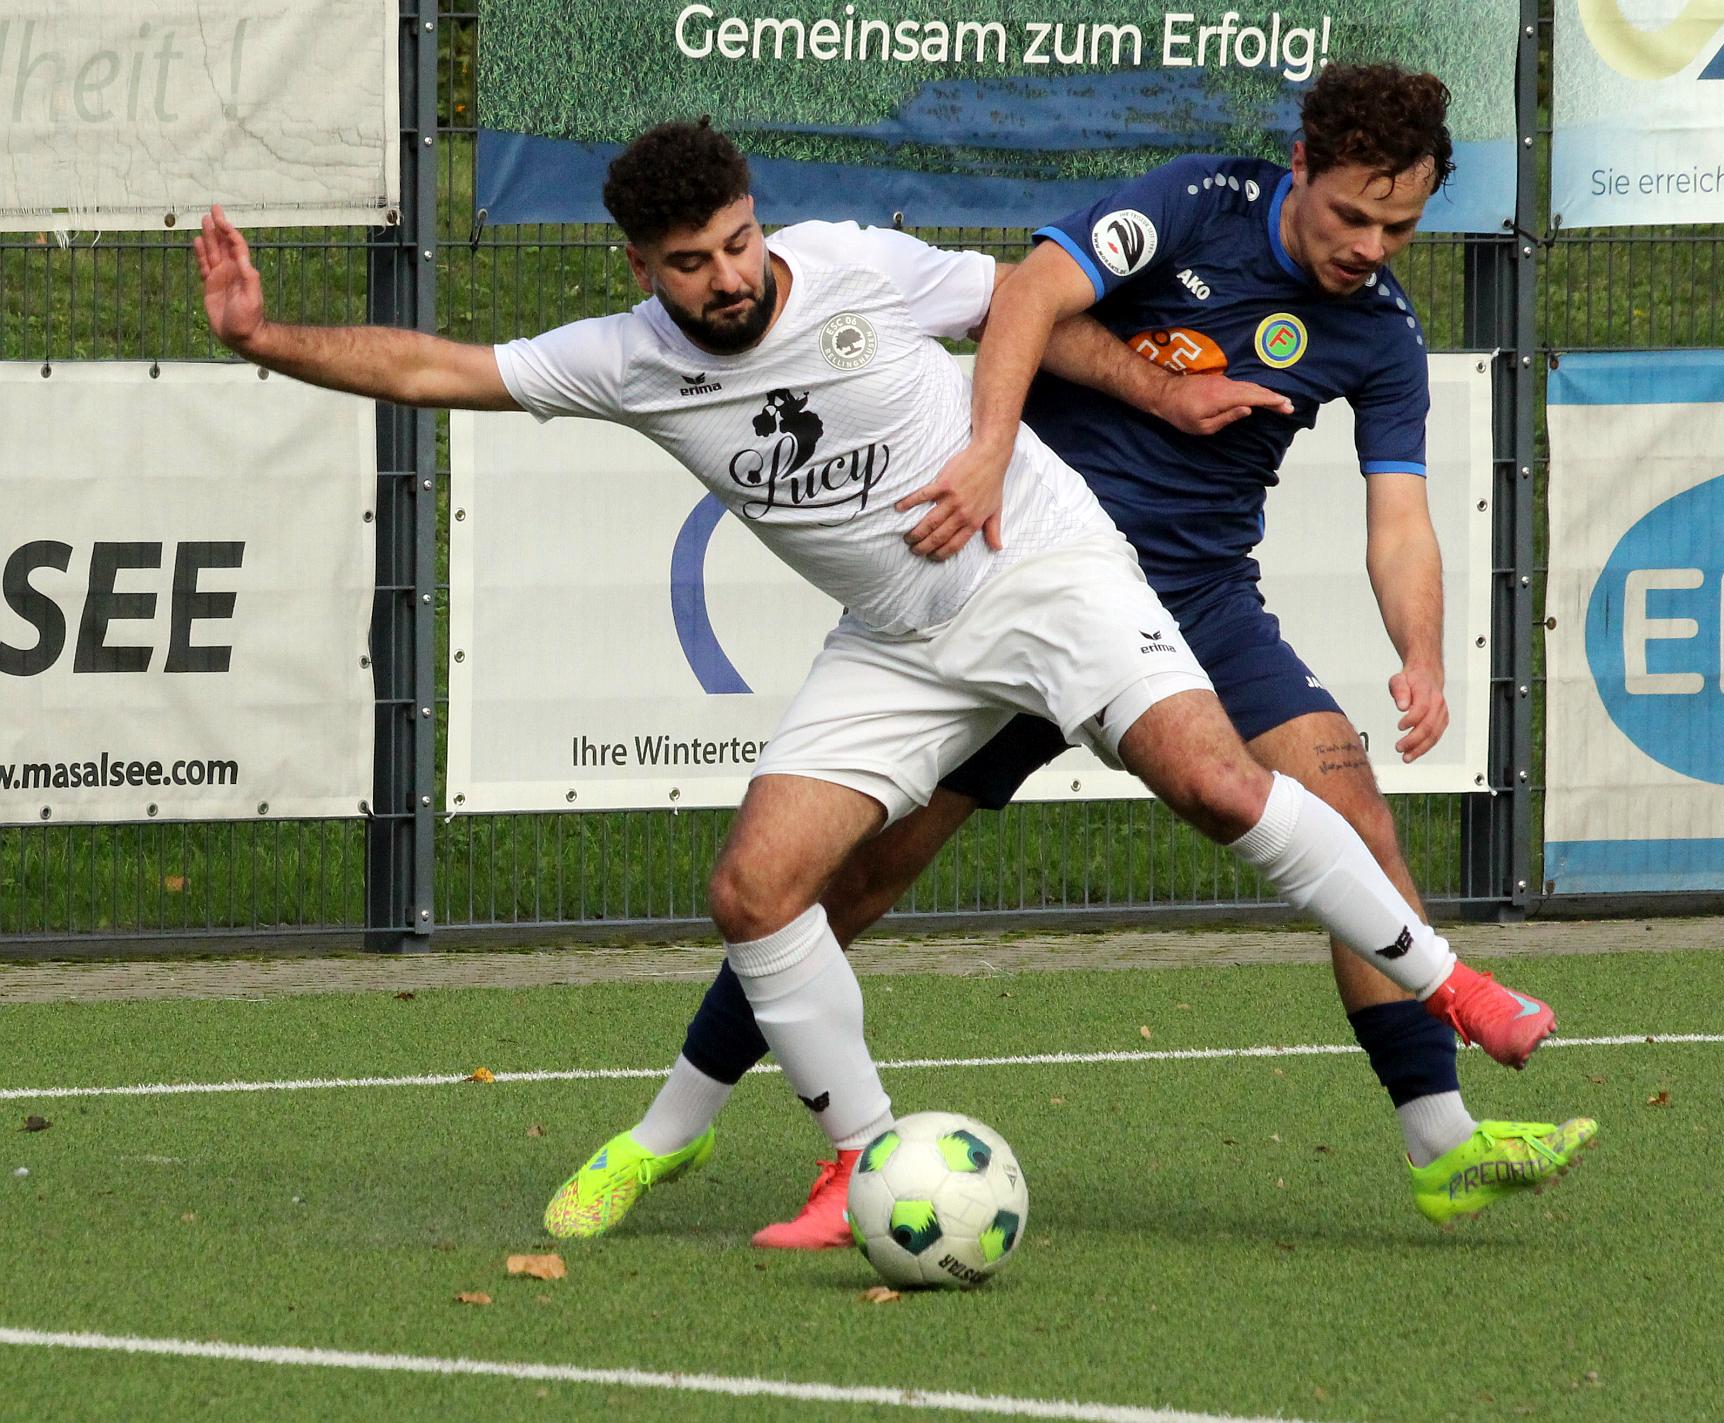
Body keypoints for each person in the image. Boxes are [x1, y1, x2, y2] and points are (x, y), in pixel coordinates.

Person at [194, 116, 1561, 1254]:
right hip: (901, 640)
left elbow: (1021, 302)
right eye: (692, 263)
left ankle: (1454, 995)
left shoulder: (853, 264)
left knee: (1218, 784)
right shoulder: (626, 358)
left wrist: (1014, 438)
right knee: (762, 887)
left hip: (1048, 571)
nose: (730, 276)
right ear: (642, 268)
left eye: (739, 241)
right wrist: (264, 336)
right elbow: (438, 366)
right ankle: (849, 1150)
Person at [565, 70, 1594, 1247]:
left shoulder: (1380, 330)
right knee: (849, 878)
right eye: (1352, 215)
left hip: (1197, 598)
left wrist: (1422, 654)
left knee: (1350, 810)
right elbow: (1029, 293)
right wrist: (1006, 445)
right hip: (1019, 578)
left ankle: (1442, 1138)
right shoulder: (1195, 203)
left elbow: (1399, 517)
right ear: (1301, 164)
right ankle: (670, 1126)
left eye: (1397, 227)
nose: (1370, 247)